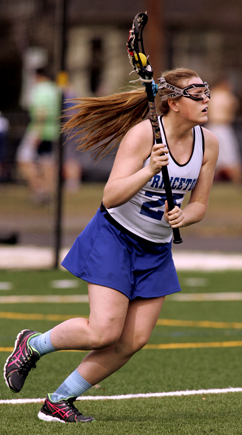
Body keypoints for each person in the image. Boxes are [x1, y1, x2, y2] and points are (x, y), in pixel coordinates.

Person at [4, 67, 218, 424]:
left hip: (156, 250)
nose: (206, 99)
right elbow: (110, 196)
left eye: (206, 91)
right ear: (175, 102)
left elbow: (200, 205)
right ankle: (33, 345)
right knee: (103, 331)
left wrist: (185, 216)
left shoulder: (209, 143)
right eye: (197, 93)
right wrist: (149, 169)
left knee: (132, 341)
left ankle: (58, 401)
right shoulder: (141, 136)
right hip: (115, 238)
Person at [16, 67, 61, 204]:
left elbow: (41, 112)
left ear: (37, 76)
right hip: (52, 131)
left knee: (23, 159)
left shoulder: (40, 90)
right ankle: (47, 191)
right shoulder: (55, 90)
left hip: (39, 129)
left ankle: (39, 189)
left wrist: (38, 133)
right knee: (47, 162)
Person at [207, 79, 242, 183]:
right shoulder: (226, 95)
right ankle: (238, 181)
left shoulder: (211, 94)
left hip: (211, 127)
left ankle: (210, 181)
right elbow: (235, 106)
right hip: (223, 127)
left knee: (211, 156)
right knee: (231, 157)